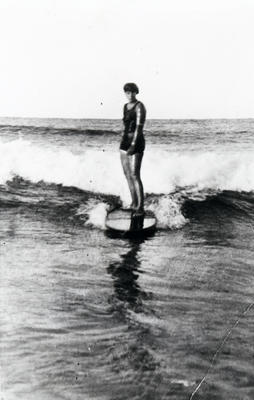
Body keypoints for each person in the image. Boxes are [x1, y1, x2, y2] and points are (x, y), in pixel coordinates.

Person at [120, 83, 146, 216]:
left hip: (137, 142)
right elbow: (126, 125)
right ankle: (133, 203)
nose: (129, 95)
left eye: (132, 92)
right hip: (125, 141)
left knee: (135, 175)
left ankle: (140, 207)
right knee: (127, 174)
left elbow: (139, 128)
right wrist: (124, 142)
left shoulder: (139, 106)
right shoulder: (125, 106)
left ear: (136, 93)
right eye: (127, 93)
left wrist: (133, 144)